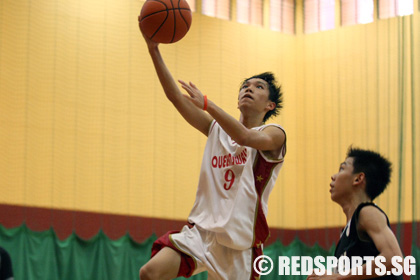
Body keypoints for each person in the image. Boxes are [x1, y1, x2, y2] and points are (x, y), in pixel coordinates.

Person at [138, 19, 287, 280]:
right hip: (202, 233)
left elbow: (243, 136)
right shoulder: (216, 129)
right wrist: (153, 49)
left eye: (258, 87)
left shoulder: (274, 135)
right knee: (150, 272)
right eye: (245, 86)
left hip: (240, 245)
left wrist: (207, 103)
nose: (249, 88)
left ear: (270, 106)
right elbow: (174, 96)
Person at [307, 147, 404, 280]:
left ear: (358, 178)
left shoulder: (368, 212)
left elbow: (394, 259)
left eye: (342, 169)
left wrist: (336, 277)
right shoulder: (347, 233)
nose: (333, 176)